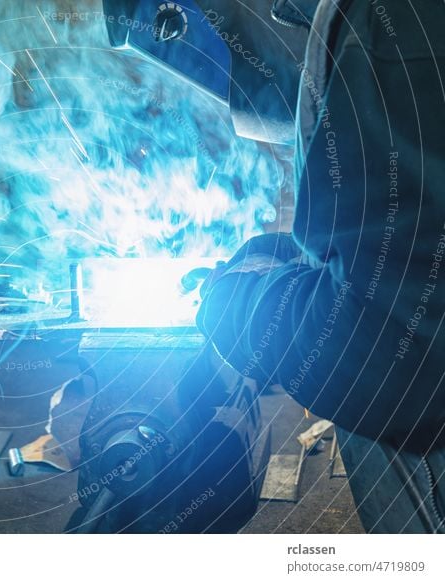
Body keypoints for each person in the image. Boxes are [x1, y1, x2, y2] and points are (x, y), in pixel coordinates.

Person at [102, 0, 445, 531]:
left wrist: (234, 306)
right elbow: (417, 236)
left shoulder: (389, 25)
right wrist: (307, 263)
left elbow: (385, 346)